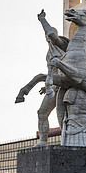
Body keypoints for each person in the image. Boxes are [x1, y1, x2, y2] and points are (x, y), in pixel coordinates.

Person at [34, 10, 69, 147]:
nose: (48, 36)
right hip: (54, 86)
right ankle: (43, 141)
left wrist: (42, 20)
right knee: (42, 112)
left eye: (50, 34)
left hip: (65, 85)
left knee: (62, 117)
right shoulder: (49, 54)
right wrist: (46, 85)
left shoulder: (63, 46)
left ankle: (66, 141)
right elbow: (52, 72)